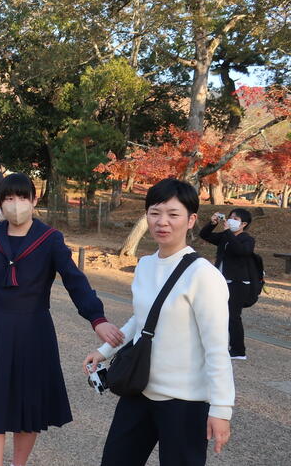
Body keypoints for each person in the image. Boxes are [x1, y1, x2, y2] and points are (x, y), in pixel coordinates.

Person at [0, 174, 123, 466]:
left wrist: (97, 318)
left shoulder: (50, 239)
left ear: (34, 200)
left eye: (23, 197)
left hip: (33, 330)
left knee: (27, 405)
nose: (16, 204)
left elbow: (75, 281)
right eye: (9, 198)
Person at [84, 178, 234, 466]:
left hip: (185, 401)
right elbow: (141, 319)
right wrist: (105, 351)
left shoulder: (203, 275)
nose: (162, 222)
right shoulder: (145, 265)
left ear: (191, 220)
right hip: (139, 389)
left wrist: (221, 409)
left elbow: (216, 347)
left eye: (173, 214)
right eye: (155, 213)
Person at [199, 207, 255, 360]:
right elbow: (204, 235)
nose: (231, 220)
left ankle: (238, 351)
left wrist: (228, 232)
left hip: (238, 283)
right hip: (221, 281)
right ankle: (215, 345)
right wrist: (212, 223)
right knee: (216, 313)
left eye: (235, 219)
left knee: (233, 316)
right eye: (230, 217)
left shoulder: (247, 239)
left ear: (243, 224)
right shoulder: (225, 236)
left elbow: (241, 251)